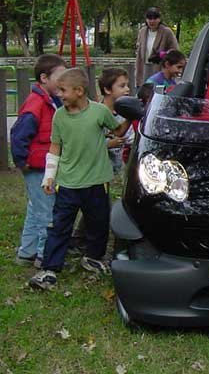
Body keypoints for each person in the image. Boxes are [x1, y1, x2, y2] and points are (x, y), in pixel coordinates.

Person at [28, 68, 132, 290]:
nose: (60, 95)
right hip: (67, 183)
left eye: (63, 91)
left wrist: (133, 115)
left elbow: (119, 131)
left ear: (79, 91)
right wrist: (49, 177)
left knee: (99, 223)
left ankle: (93, 257)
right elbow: (55, 147)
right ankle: (49, 269)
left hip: (97, 182)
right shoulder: (59, 116)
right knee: (59, 227)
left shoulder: (99, 112)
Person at [10, 54, 65, 268]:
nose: (64, 80)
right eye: (60, 75)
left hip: (44, 165)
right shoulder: (36, 103)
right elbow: (19, 134)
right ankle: (45, 256)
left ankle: (27, 252)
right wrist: (22, 161)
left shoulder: (53, 101)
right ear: (44, 78)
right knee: (47, 212)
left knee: (36, 209)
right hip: (36, 166)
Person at [98, 68, 135, 174]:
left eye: (127, 85)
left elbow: (130, 138)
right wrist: (107, 144)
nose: (127, 89)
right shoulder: (96, 114)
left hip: (119, 170)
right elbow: (89, 142)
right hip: (100, 171)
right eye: (122, 86)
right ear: (107, 90)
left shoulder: (124, 114)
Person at [135, 6, 178, 87]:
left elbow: (175, 52)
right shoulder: (142, 31)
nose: (152, 21)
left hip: (160, 69)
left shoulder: (166, 32)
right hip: (144, 68)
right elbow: (139, 51)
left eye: (155, 18)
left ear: (159, 19)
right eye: (149, 18)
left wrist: (163, 55)